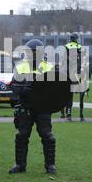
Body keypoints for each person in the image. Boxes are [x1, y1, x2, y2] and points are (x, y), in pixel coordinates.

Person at [9, 39, 57, 174]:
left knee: (48, 136)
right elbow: (13, 85)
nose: (33, 55)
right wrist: (22, 90)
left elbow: (56, 88)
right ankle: (20, 165)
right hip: (25, 107)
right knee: (21, 136)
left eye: (35, 53)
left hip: (43, 107)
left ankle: (50, 165)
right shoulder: (21, 67)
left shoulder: (49, 67)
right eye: (31, 52)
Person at [64, 33, 82, 121]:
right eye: (77, 38)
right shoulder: (67, 46)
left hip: (76, 66)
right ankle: (68, 113)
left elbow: (81, 57)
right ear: (73, 39)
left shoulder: (79, 46)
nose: (78, 40)